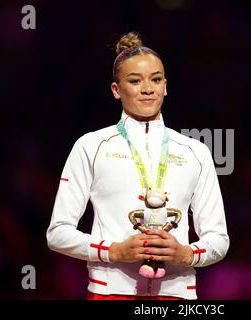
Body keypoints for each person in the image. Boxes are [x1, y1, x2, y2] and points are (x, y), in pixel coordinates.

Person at [46, 31, 229, 300]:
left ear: (165, 85)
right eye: (135, 81)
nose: (147, 88)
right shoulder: (91, 146)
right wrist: (114, 251)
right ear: (116, 90)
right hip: (110, 293)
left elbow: (219, 238)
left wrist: (186, 253)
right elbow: (57, 233)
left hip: (178, 295)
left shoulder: (196, 152)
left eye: (155, 79)